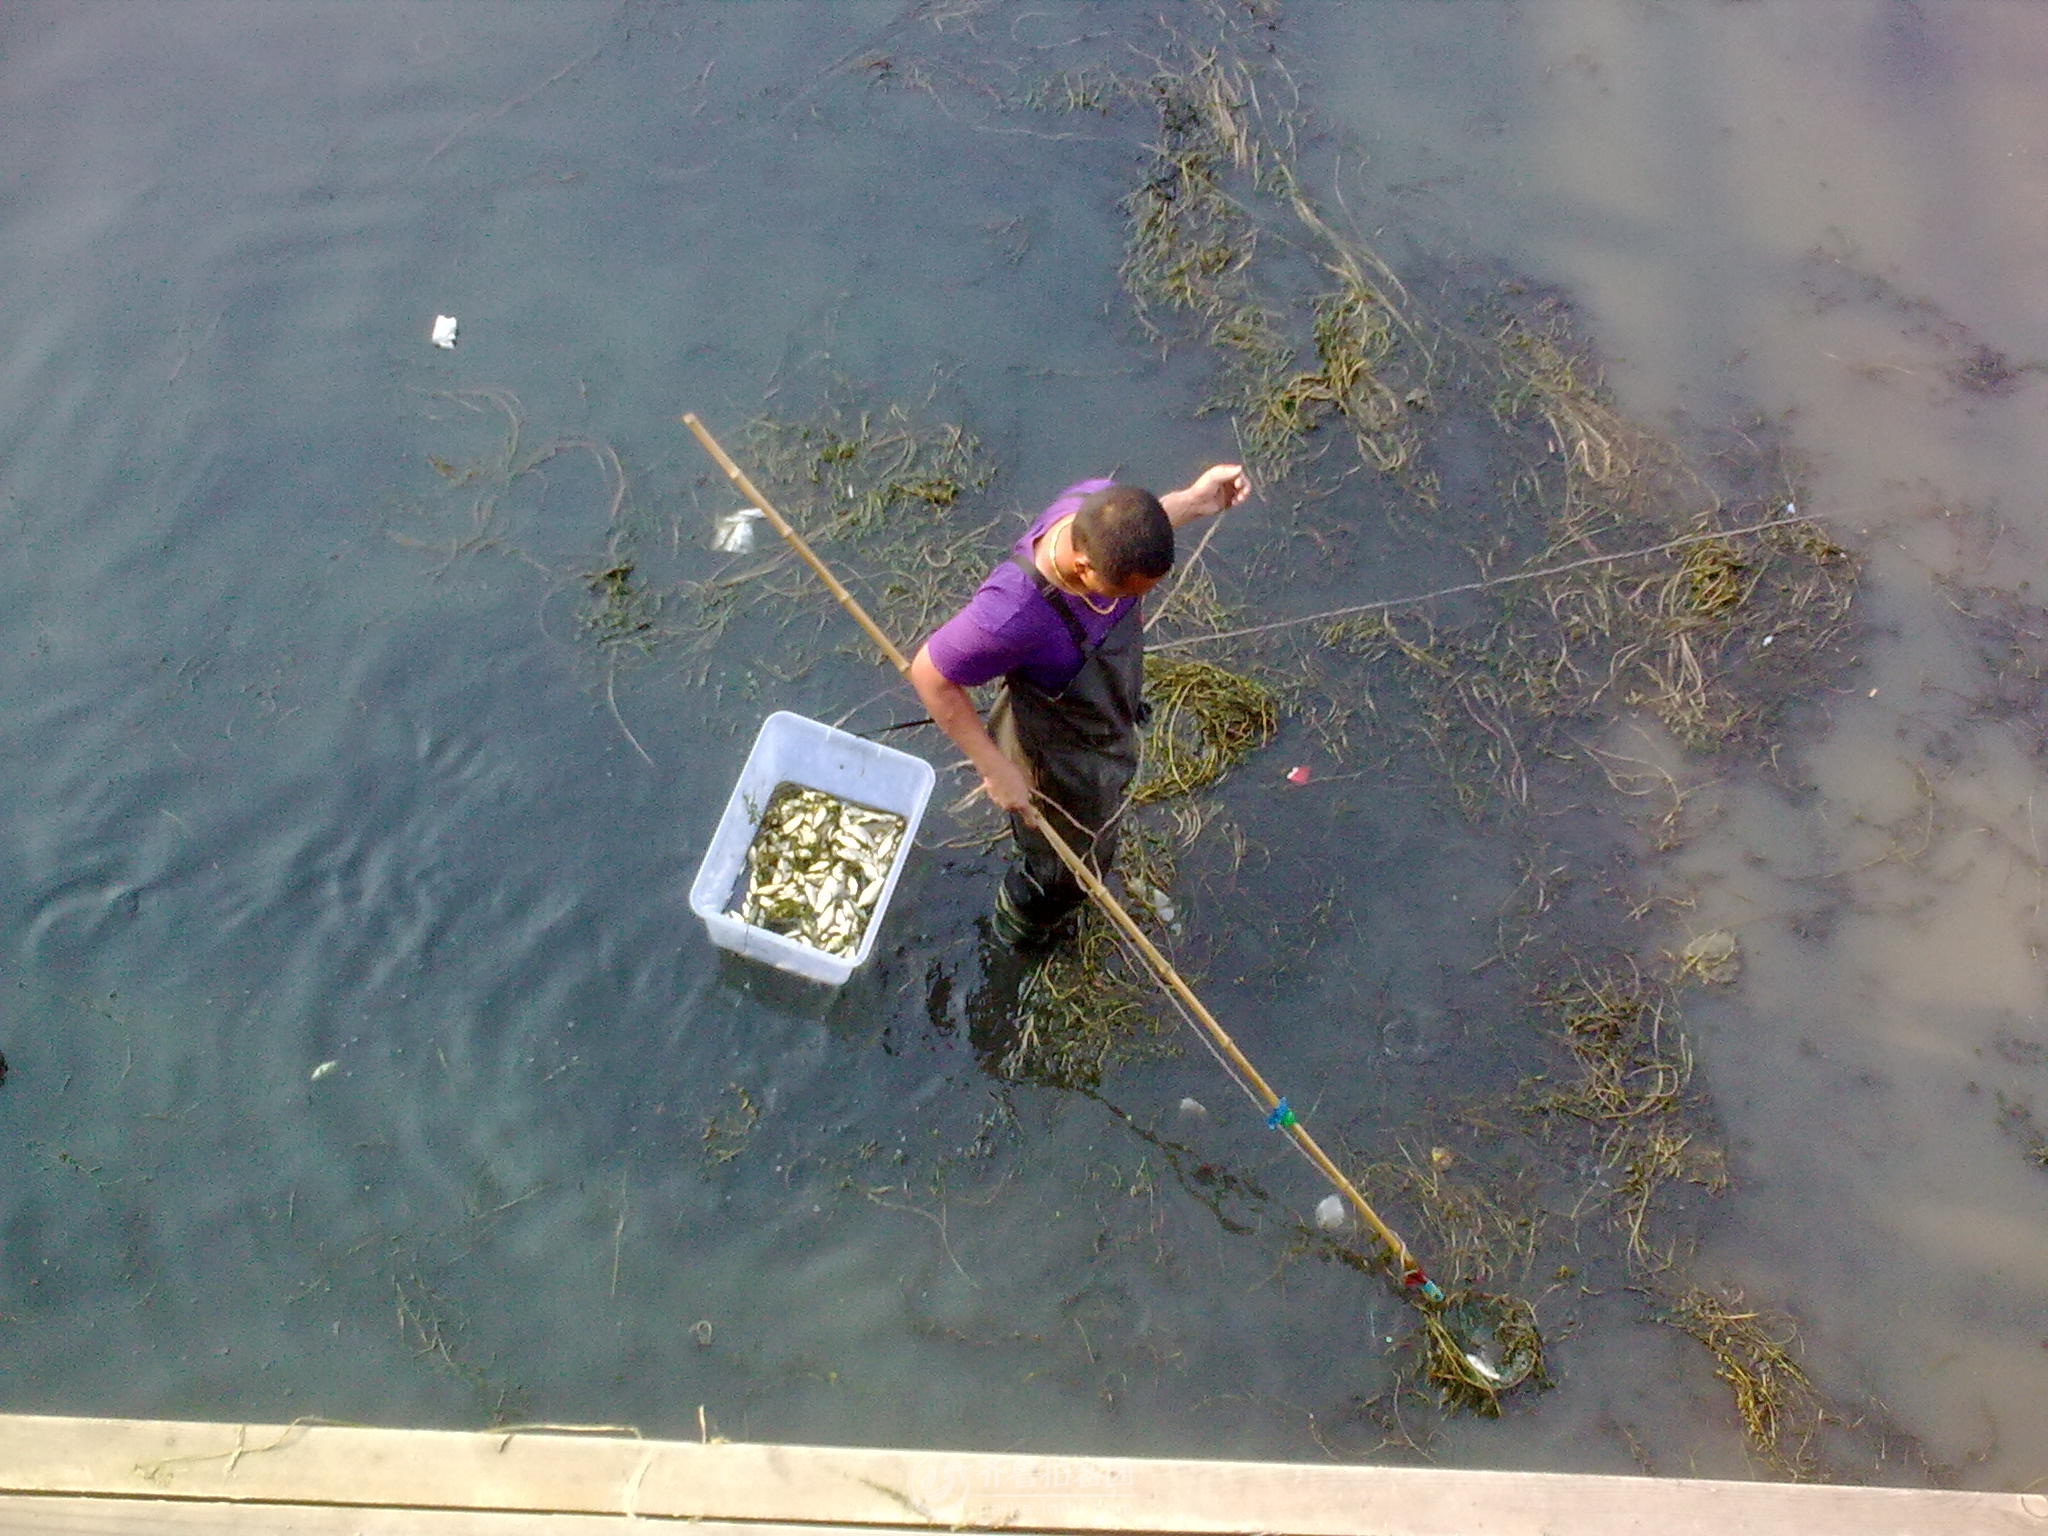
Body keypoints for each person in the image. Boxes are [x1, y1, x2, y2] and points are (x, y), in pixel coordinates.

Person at [909, 464, 1251, 947]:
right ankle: (1020, 928)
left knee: (1093, 828)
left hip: (1101, 712)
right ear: (1083, 568)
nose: (1134, 602)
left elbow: (1132, 531)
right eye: (1125, 593)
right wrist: (993, 766)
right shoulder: (1012, 612)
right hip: (1054, 747)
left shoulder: (1101, 506)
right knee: (1067, 865)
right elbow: (930, 674)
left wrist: (1194, 501)